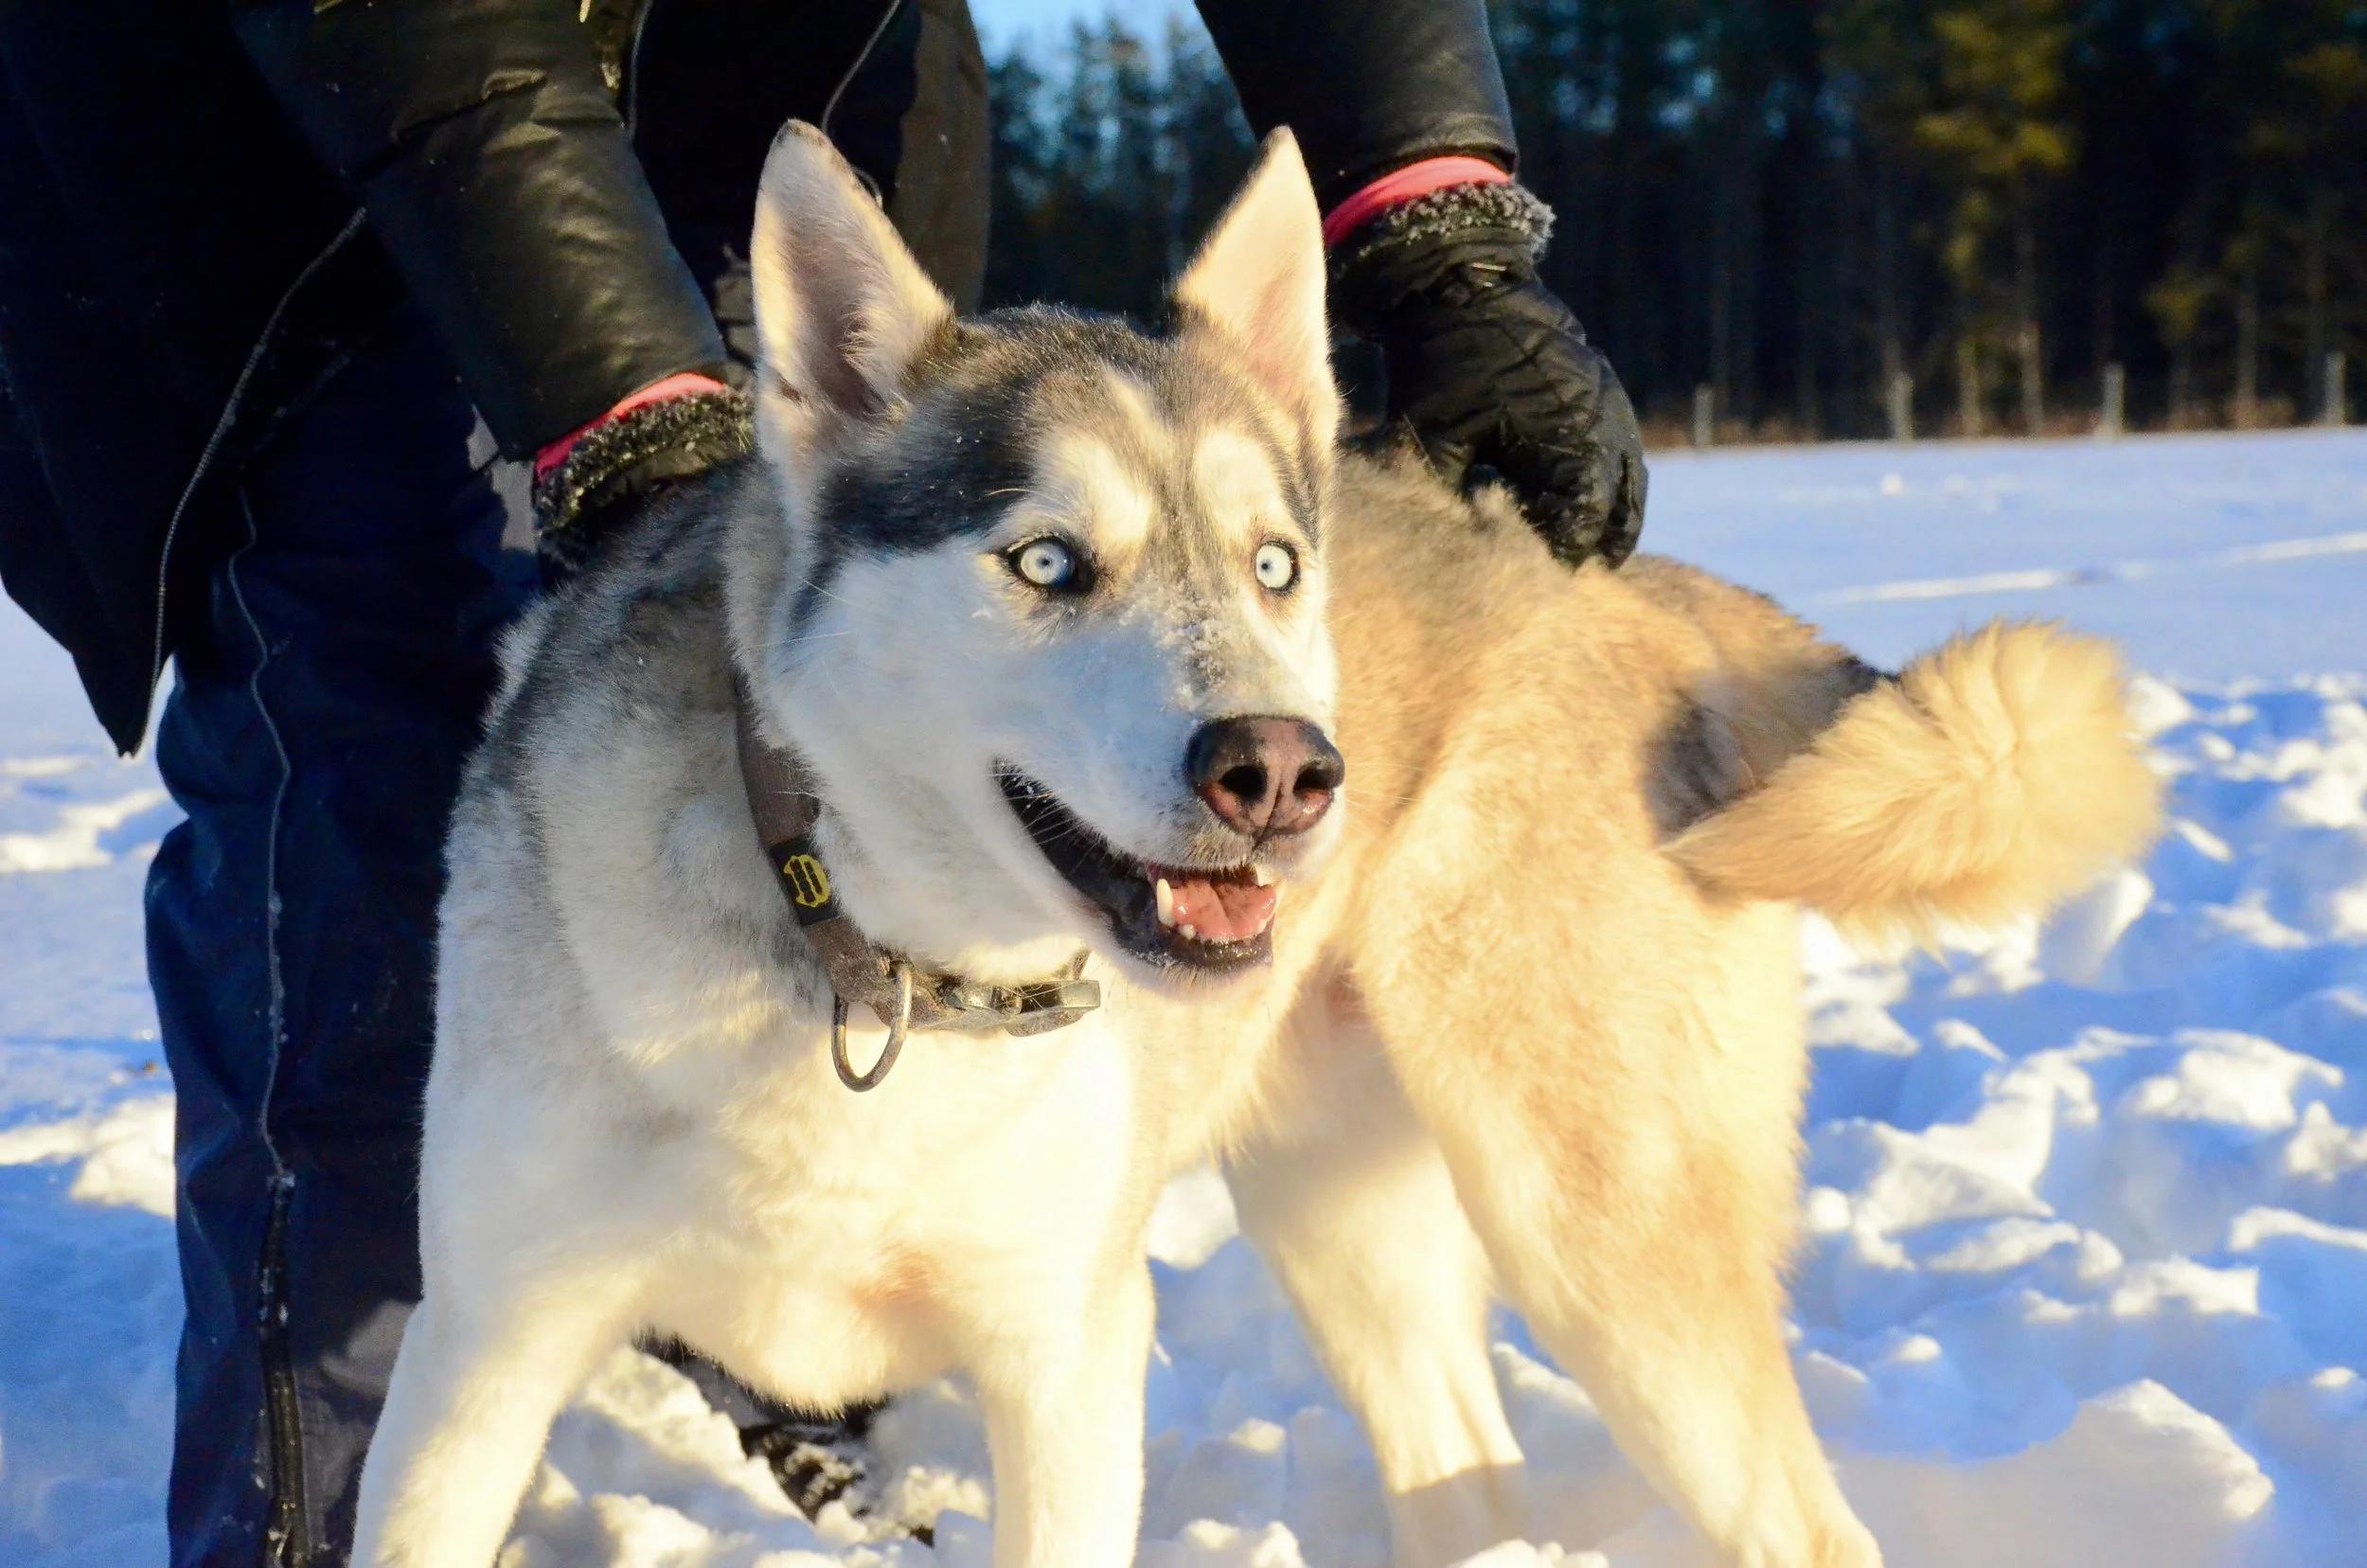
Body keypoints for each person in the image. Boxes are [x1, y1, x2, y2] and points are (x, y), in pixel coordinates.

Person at [0, 2, 1646, 1560]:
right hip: (299, 189)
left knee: (889, 787)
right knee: (364, 857)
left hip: (774, 103)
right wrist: (629, 413)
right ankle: (314, 1513)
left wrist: (1436, 216)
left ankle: (771, 1342)